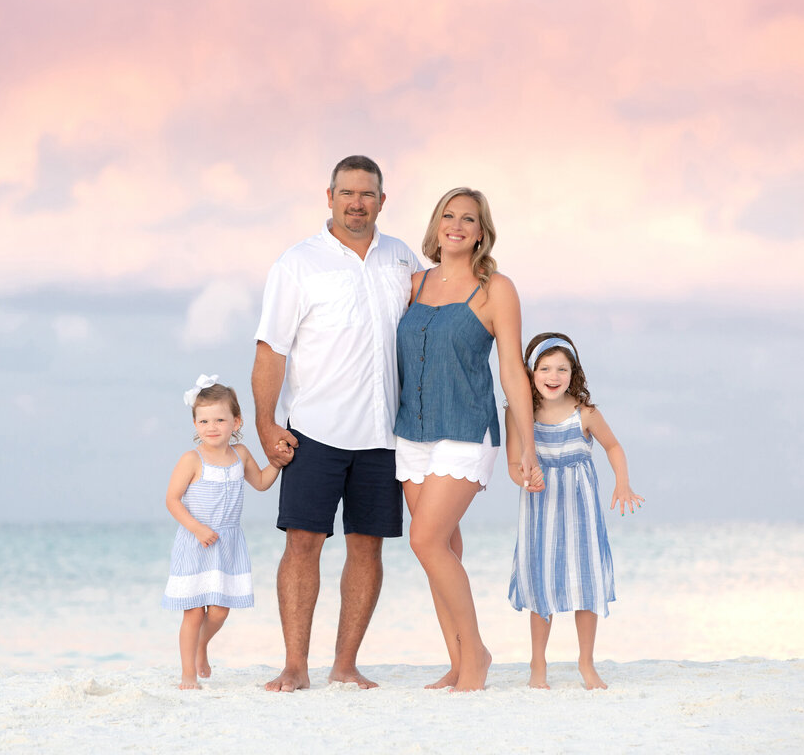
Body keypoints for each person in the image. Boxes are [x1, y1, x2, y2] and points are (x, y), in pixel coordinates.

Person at [252, 155, 419, 692]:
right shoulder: (297, 264)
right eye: (346, 192)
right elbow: (271, 350)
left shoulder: (401, 259)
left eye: (366, 194)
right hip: (315, 431)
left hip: (383, 434)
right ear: (329, 197)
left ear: (382, 201)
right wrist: (264, 423)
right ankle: (295, 666)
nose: (356, 203)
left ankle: (344, 665)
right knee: (303, 542)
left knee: (368, 546)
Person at [393, 187, 541, 692]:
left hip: (465, 429)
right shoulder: (412, 284)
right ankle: (457, 660)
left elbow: (513, 374)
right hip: (410, 432)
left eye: (468, 219)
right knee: (445, 546)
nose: (456, 225)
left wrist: (528, 448)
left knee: (425, 539)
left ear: (482, 232)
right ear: (436, 226)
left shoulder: (495, 288)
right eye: (448, 216)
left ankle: (475, 655)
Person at [506, 333, 644, 690]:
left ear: (573, 373)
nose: (554, 375)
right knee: (540, 584)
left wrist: (622, 483)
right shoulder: (519, 415)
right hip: (540, 511)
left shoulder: (585, 413)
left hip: (581, 512)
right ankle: (538, 664)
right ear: (531, 373)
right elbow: (511, 462)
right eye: (545, 368)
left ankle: (586, 662)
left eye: (562, 369)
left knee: (587, 582)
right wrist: (524, 479)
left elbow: (613, 446)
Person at [162, 375, 279, 690]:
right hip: (196, 542)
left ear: (235, 421)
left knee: (219, 611)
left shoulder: (240, 455)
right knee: (193, 614)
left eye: (219, 419)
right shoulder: (192, 459)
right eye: (203, 420)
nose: (211, 426)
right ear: (195, 423)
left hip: (227, 544)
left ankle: (202, 645)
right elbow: (172, 500)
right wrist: (197, 528)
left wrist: (278, 463)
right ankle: (188, 674)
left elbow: (262, 482)